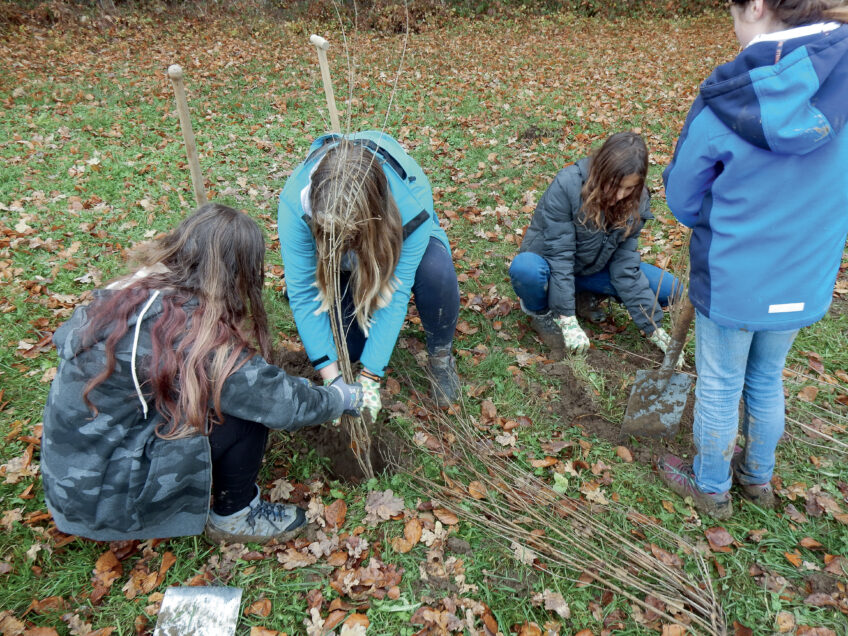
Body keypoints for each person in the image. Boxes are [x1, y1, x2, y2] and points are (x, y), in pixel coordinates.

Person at [41, 204, 363, 544]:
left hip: (75, 477)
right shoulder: (196, 338)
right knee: (241, 412)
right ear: (238, 272)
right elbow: (278, 400)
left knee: (211, 393)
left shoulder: (130, 292)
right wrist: (339, 398)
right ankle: (235, 516)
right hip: (108, 499)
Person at [659, 0, 848, 519]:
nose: (733, 22)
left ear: (758, 6)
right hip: (805, 278)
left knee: (721, 382)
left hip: (734, 280)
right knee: (767, 377)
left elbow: (680, 197)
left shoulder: (729, 96)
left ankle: (711, 486)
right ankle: (757, 478)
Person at [277, 130, 461, 416]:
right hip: (336, 265)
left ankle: (441, 356)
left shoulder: (413, 198)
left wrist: (371, 377)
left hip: (389, 244)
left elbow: (396, 293)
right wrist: (333, 381)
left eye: (349, 235)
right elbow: (303, 292)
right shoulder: (294, 203)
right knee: (348, 352)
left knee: (435, 272)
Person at [509, 131, 681, 355]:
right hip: (551, 266)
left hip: (594, 268)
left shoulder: (637, 200)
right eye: (614, 185)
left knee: (671, 289)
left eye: (628, 188)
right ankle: (541, 314)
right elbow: (560, 257)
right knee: (525, 269)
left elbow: (625, 265)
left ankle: (583, 294)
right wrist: (567, 319)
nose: (620, 195)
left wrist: (654, 327)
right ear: (601, 170)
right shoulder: (567, 186)